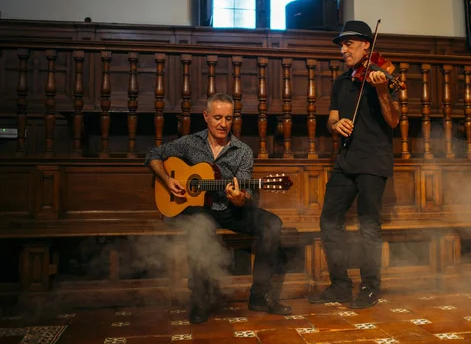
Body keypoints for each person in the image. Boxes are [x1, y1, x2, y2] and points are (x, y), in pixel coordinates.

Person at [145, 93, 291, 324]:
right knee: (200, 226)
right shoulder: (190, 142)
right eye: (217, 117)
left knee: (273, 224)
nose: (223, 124)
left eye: (228, 118)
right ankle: (201, 299)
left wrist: (239, 199)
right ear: (206, 117)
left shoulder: (242, 151)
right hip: (197, 209)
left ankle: (259, 296)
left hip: (230, 209)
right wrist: (166, 179)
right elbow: (153, 155)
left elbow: (245, 192)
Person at [309, 20, 400, 309]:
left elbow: (394, 120)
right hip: (346, 160)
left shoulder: (383, 77)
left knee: (369, 226)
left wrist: (383, 91)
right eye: (341, 44)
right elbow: (331, 118)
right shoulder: (341, 82)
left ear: (366, 45)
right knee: (329, 220)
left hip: (373, 160)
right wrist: (336, 126)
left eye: (348, 43)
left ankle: (371, 287)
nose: (343, 50)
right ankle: (340, 285)